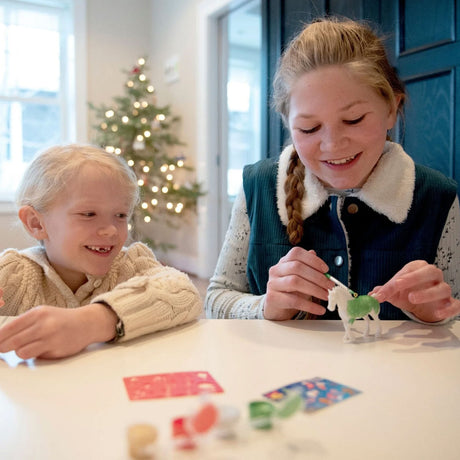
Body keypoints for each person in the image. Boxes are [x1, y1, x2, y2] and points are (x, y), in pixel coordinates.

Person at [205, 17, 460, 324]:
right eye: (309, 128)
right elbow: (217, 299)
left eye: (353, 120)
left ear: (392, 108)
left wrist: (438, 317)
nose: (333, 144)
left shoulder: (438, 198)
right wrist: (264, 307)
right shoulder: (258, 188)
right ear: (289, 125)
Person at [0, 144, 202, 359]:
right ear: (36, 224)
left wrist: (90, 323)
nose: (110, 230)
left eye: (121, 215)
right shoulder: (14, 273)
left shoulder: (129, 265)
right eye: (88, 214)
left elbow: (183, 293)